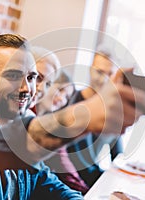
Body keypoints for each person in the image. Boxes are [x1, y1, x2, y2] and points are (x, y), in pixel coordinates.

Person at [0, 34, 145, 199]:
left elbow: (50, 185)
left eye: (33, 77)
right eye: (14, 75)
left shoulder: (18, 130)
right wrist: (77, 120)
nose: (27, 88)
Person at [31, 47, 89, 194]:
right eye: (60, 90)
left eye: (66, 97)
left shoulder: (44, 118)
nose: (61, 99)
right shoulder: (31, 118)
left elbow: (59, 167)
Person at [67, 46, 125, 187]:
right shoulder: (69, 102)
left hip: (91, 182)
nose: (104, 79)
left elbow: (118, 156)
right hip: (68, 184)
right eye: (99, 72)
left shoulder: (112, 113)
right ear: (90, 70)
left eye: (110, 74)